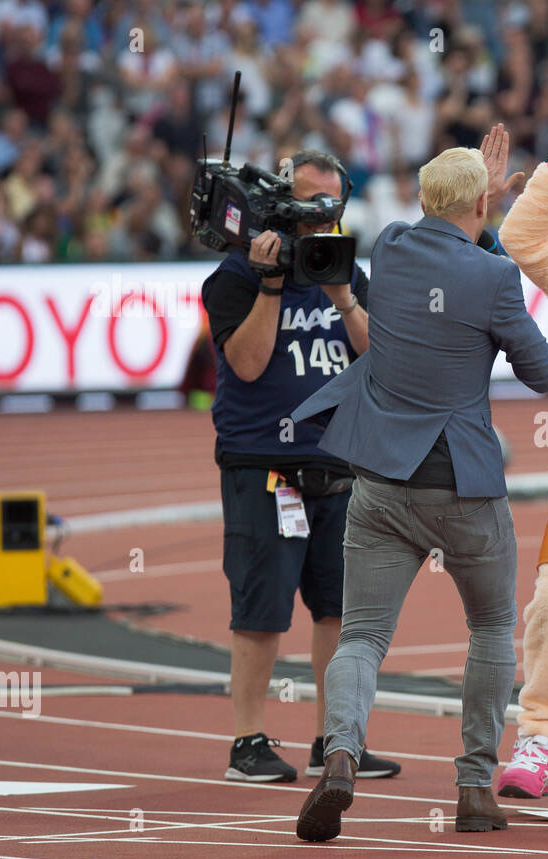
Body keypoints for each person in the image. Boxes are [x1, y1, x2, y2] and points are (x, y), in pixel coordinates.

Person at [293, 133, 548, 841]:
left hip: (381, 480)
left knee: (363, 637)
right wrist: (494, 240)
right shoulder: (492, 277)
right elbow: (542, 372)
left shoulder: (395, 248)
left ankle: (340, 754)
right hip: (464, 483)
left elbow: (441, 231)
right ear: (480, 202)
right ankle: (475, 788)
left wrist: (477, 206)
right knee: (492, 628)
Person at [202, 148, 399, 783]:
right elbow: (250, 364)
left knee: (340, 613)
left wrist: (344, 298)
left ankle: (333, 739)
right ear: (280, 204)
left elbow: (381, 362)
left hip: (339, 466)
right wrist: (270, 285)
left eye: (331, 209)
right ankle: (247, 742)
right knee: (260, 610)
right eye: (309, 207)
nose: (319, 222)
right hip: (265, 467)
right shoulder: (233, 277)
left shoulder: (342, 271)